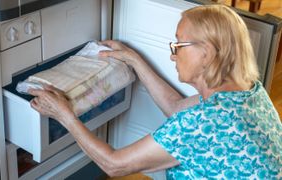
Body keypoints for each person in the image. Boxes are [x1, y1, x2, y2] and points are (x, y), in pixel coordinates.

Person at [28, 4, 282, 179]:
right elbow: (176, 108)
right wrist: (134, 60)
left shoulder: (204, 122)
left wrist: (65, 115)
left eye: (178, 44)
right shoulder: (249, 93)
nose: (173, 55)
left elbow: (113, 165)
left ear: (206, 52)